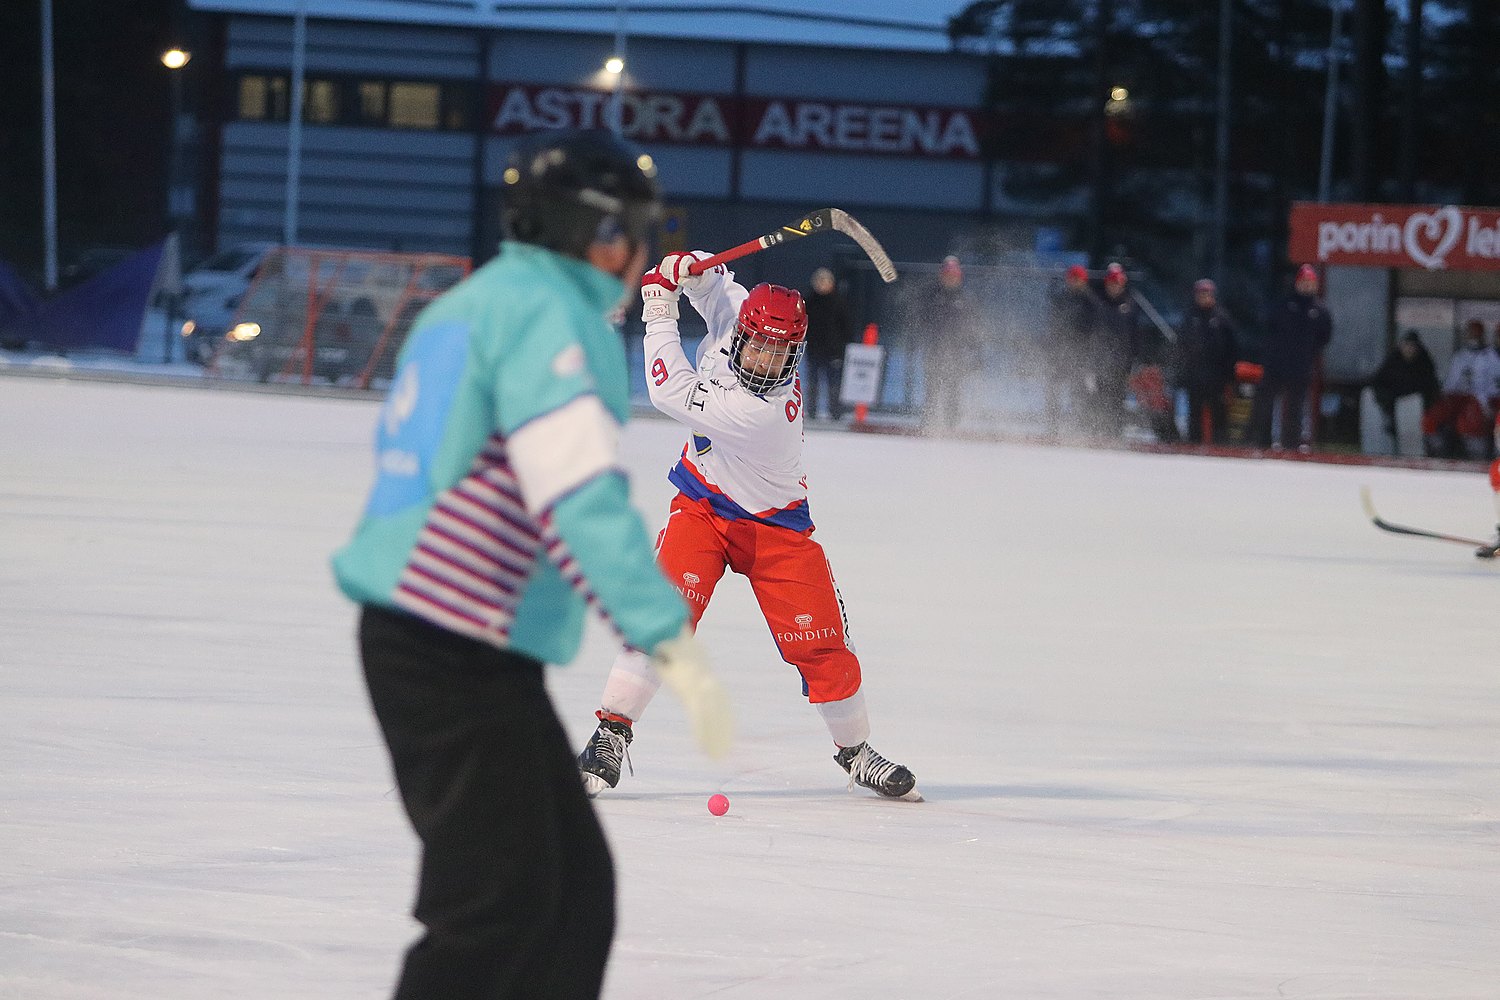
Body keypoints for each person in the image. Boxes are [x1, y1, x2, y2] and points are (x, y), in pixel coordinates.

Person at [330, 129, 731, 1000]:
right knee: (496, 908)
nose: (638, 256)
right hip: (446, 643)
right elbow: (576, 496)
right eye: (630, 234)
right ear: (591, 236)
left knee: (575, 895)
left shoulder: (478, 301)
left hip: (442, 638)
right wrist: (663, 634)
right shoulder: (558, 319)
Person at [576, 249, 920, 802]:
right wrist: (692, 265)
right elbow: (717, 289)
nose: (764, 357)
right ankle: (609, 735)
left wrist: (659, 306)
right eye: (757, 343)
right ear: (743, 334)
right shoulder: (738, 319)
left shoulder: (765, 413)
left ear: (793, 355)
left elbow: (668, 389)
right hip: (703, 507)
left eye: (779, 351)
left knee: (823, 647)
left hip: (776, 529)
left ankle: (856, 752)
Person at [1247, 263, 1333, 451]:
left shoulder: (1319, 311)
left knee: (1296, 407)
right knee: (1265, 403)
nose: (1306, 286)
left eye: (1310, 283)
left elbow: (1324, 337)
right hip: (1276, 364)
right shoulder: (1283, 305)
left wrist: (1307, 353)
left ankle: (1291, 444)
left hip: (1301, 367)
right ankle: (1261, 441)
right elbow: (1268, 328)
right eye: (1303, 282)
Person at [921, 255, 983, 432]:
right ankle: (928, 423)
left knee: (953, 389)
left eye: (954, 275)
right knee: (932, 389)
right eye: (947, 275)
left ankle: (951, 425)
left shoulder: (966, 299)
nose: (950, 279)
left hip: (957, 351)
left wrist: (975, 351)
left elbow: (974, 327)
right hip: (935, 349)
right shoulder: (932, 297)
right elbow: (924, 321)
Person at [1422, 319, 1500, 459]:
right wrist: (1485, 406)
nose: (1474, 338)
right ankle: (1442, 453)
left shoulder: (1485, 355)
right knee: (1455, 419)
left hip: (1488, 400)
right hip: (1472, 399)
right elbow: (1475, 386)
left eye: (1477, 335)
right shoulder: (1482, 357)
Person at [1176, 278, 1240, 444]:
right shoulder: (1190, 317)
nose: (1204, 297)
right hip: (1195, 377)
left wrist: (1229, 377)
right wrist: (1182, 374)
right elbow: (1181, 348)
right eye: (1201, 294)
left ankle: (1220, 449)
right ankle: (1193, 448)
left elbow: (1232, 349)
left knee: (1219, 417)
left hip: (1217, 378)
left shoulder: (1222, 318)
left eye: (1208, 294)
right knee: (1194, 417)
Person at [1043, 263, 1103, 437]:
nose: (1074, 282)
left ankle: (1079, 427)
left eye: (1078, 279)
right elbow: (1054, 326)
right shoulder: (1062, 299)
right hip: (1060, 352)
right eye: (1072, 279)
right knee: (1053, 389)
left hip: (1081, 353)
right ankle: (1053, 427)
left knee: (1079, 392)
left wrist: (1090, 355)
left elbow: (1095, 330)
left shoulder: (1091, 302)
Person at [1089, 262, 1140, 440]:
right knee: (1100, 398)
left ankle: (1116, 434)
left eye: (1117, 282)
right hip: (1100, 360)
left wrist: (1133, 360)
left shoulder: (1129, 306)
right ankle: (1098, 432)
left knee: (1118, 399)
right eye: (1111, 282)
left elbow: (1135, 336)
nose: (1114, 286)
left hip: (1121, 363)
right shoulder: (1097, 302)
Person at [802, 266, 856, 421]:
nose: (822, 285)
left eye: (825, 281)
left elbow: (847, 325)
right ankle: (811, 411)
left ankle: (835, 411)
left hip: (834, 350)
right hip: (814, 348)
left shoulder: (839, 302)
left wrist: (844, 345)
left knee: (834, 383)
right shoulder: (810, 301)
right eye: (819, 282)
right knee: (813, 381)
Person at [1369, 330, 1440, 445]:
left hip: (1417, 407)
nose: (1409, 349)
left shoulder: (1424, 362)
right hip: (1393, 404)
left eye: (1412, 346)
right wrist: (1389, 402)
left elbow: (1430, 386)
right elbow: (1378, 382)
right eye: (1406, 345)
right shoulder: (1393, 360)